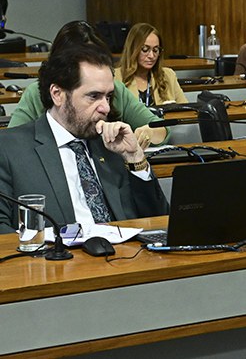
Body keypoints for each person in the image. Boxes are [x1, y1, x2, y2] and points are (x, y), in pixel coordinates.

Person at [0, 44, 169, 233]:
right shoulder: (9, 148)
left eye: (108, 97)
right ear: (57, 94)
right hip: (55, 259)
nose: (105, 107)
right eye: (94, 96)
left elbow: (159, 221)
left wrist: (135, 159)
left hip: (126, 258)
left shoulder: (112, 144)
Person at [9, 21, 169, 148]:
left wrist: (147, 132)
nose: (104, 106)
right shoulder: (35, 93)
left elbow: (161, 130)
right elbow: (12, 143)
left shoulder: (116, 90)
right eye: (93, 96)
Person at [116, 23, 188, 106]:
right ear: (133, 50)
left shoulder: (168, 75)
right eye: (145, 49)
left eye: (155, 50)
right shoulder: (116, 78)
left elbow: (185, 110)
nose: (151, 56)